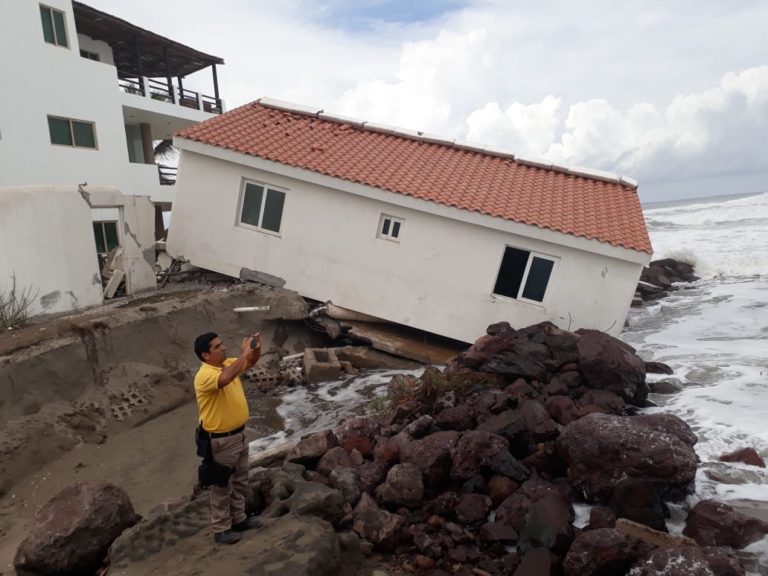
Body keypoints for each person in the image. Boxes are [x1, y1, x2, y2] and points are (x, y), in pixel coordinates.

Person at [193, 331, 262, 544]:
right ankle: (221, 528)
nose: (224, 348)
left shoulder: (228, 364)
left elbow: (250, 361)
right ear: (206, 355)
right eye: (217, 346)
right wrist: (243, 353)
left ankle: (239, 518)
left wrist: (255, 347)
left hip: (239, 435)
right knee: (222, 485)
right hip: (221, 440)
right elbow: (225, 379)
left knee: (240, 480)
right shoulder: (205, 375)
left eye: (222, 344)